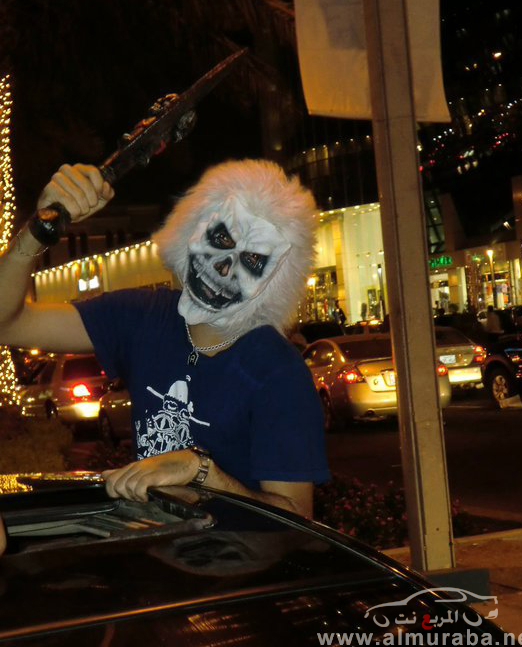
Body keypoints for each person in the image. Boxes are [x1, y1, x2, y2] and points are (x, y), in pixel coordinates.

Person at [0, 160, 330, 519]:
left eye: (251, 259)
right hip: (154, 547)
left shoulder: (279, 372)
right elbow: (7, 323)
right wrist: (39, 228)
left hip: (237, 557)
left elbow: (295, 524)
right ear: (191, 230)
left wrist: (202, 473)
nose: (224, 268)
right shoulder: (144, 316)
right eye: (222, 239)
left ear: (276, 279)